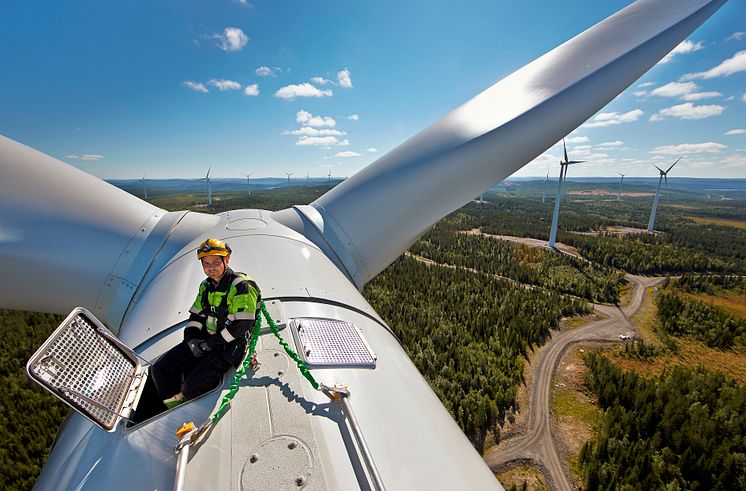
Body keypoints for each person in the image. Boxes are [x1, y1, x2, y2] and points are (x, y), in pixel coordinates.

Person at [151, 238, 261, 409]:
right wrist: (191, 339)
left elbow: (241, 326)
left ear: (227, 260)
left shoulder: (241, 286)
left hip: (229, 345)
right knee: (159, 369)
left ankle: (184, 400)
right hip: (207, 340)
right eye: (206, 264)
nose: (211, 268)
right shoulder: (206, 286)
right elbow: (196, 315)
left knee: (191, 387)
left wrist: (208, 345)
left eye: (216, 262)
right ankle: (173, 405)